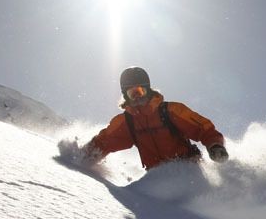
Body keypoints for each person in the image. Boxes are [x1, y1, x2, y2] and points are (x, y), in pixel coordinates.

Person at [82, 66, 229, 170]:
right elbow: (104, 142)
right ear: (125, 95)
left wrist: (214, 145)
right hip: (157, 178)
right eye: (132, 93)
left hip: (188, 170)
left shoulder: (170, 110)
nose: (137, 97)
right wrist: (80, 158)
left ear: (149, 90)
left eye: (140, 91)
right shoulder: (127, 122)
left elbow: (202, 128)